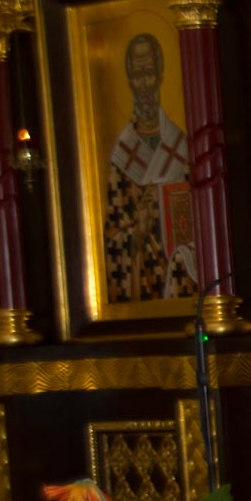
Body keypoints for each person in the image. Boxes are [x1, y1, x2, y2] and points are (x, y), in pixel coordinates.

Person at [104, 33, 194, 302]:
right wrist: (137, 233)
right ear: (129, 80)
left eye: (150, 73)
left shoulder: (180, 146)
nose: (144, 85)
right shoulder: (122, 155)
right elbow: (111, 238)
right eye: (138, 75)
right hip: (143, 279)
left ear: (161, 76)